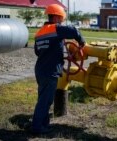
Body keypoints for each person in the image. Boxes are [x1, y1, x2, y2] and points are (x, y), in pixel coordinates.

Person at [31, 4, 85, 134]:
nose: (61, 21)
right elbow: (73, 31)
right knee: (46, 100)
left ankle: (44, 124)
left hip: (40, 70)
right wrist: (81, 41)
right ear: (55, 17)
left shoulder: (39, 33)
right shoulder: (56, 29)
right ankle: (37, 128)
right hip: (50, 71)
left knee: (43, 98)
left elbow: (37, 52)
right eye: (60, 18)